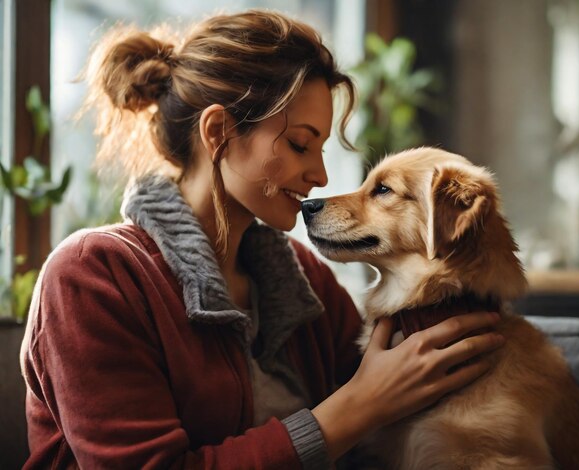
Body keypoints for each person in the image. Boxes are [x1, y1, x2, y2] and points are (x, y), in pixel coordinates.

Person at [20, 9, 505, 469]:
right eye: (299, 144)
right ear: (219, 132)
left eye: (320, 150)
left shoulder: (305, 281)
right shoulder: (91, 277)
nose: (318, 175)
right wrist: (355, 409)